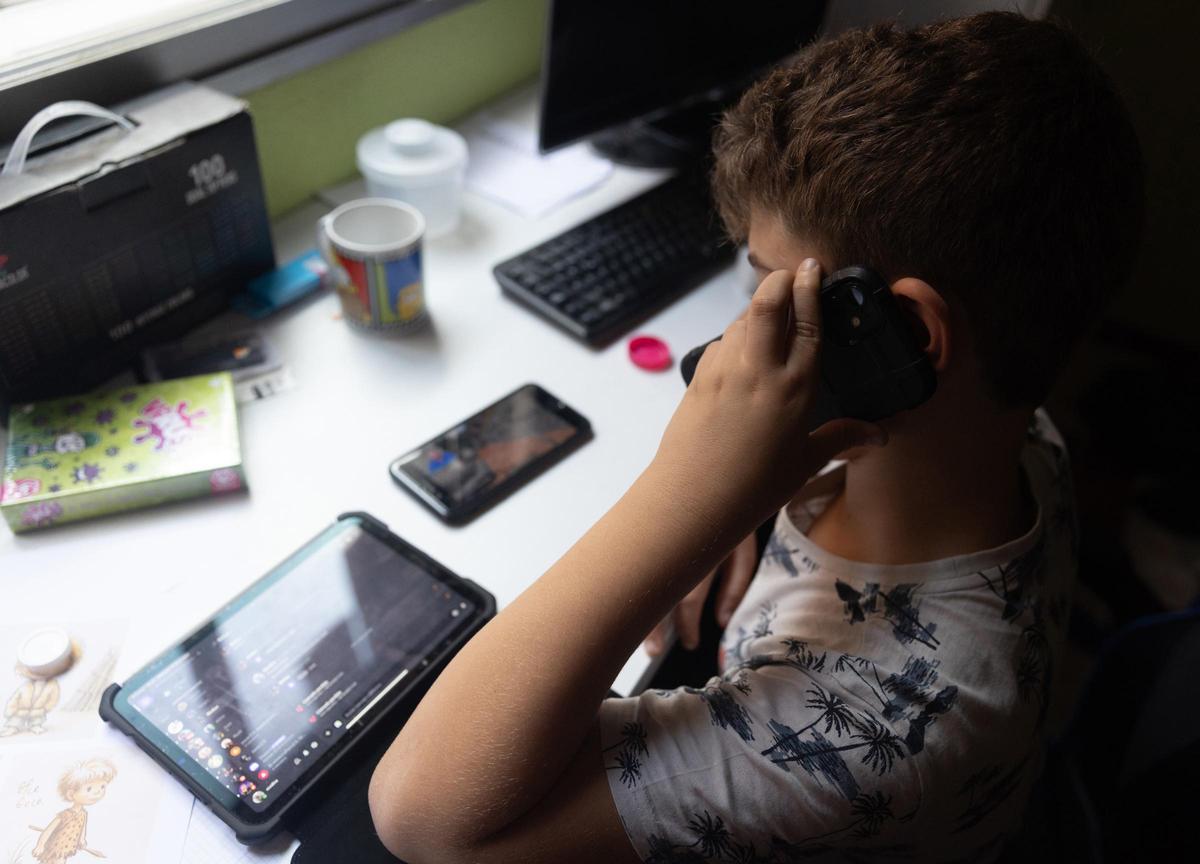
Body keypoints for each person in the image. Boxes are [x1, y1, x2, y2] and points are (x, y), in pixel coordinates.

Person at [367, 11, 1143, 863]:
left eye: (773, 290)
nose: (739, 335)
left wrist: (685, 502)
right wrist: (755, 498)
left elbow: (425, 818)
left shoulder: (875, 733)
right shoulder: (1021, 433)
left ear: (912, 339)